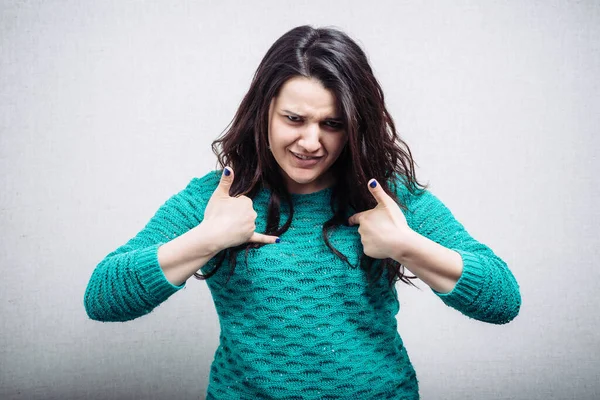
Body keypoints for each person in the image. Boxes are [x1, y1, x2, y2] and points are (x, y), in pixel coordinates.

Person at [84, 25, 521, 399]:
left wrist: (406, 245)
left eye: (332, 124)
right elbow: (102, 297)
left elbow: (503, 299)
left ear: (354, 126)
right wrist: (208, 238)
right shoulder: (217, 199)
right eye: (294, 119)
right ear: (264, 114)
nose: (311, 142)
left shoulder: (388, 200)